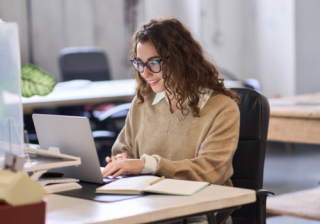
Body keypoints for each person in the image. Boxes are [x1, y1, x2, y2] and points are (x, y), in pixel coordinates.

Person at [102, 17, 240, 188]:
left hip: (201, 208)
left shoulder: (222, 108)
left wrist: (148, 165)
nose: (145, 73)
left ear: (180, 59)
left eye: (153, 63)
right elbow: (123, 150)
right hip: (147, 200)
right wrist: (122, 160)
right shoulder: (142, 102)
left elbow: (210, 171)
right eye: (140, 63)